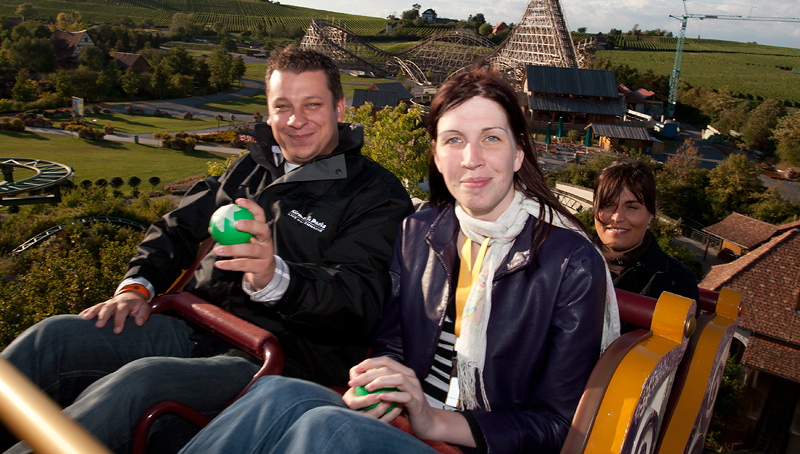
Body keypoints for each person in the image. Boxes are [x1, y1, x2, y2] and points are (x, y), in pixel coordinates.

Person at [178, 65, 620, 454]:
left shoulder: (571, 261)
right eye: (454, 140)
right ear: (437, 155)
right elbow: (394, 345)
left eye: (491, 138)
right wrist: (379, 386)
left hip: (475, 441)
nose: (472, 159)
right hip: (408, 422)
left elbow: (559, 427)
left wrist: (433, 421)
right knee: (274, 393)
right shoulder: (420, 233)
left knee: (325, 427)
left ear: (519, 151)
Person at [0, 46, 413, 453]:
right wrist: (137, 286)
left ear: (339, 109)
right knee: (53, 339)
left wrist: (276, 278)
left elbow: (359, 301)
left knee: (142, 385)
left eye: (312, 104)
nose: (295, 120)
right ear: (268, 112)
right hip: (194, 326)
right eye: (282, 106)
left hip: (275, 359)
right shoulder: (251, 167)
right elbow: (177, 226)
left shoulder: (375, 194)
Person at [593, 159, 700, 308]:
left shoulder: (677, 283)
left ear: (651, 212)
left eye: (632, 207)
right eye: (607, 205)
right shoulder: (568, 260)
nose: (617, 217)